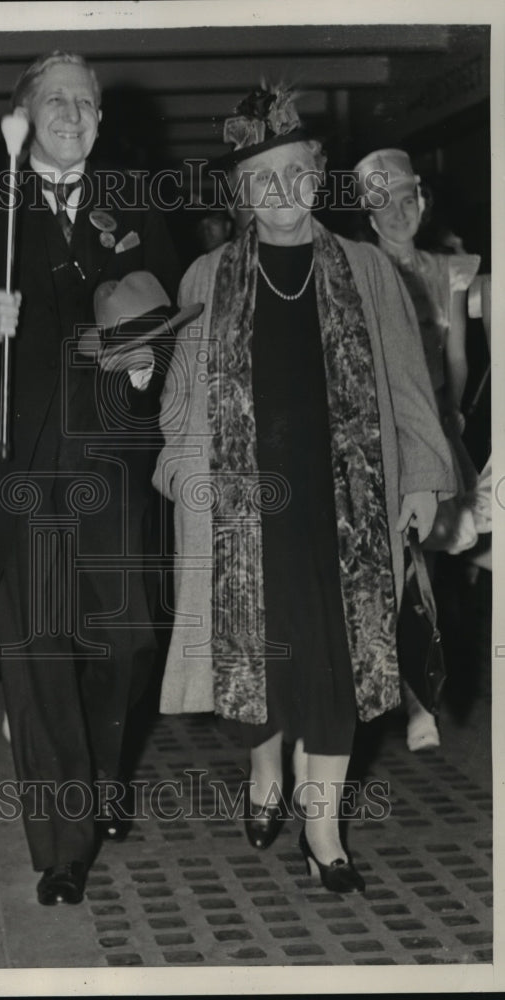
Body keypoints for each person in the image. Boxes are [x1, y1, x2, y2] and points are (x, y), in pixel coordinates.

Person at [154, 86, 455, 894]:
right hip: (241, 508)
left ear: (317, 179)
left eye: (294, 173)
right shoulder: (206, 276)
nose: (281, 192)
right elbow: (181, 397)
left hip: (346, 505)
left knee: (336, 663)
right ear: (241, 195)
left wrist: (423, 479)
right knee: (251, 659)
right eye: (261, 179)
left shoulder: (364, 270)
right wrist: (178, 461)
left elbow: (408, 381)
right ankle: (263, 774)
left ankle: (322, 830)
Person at [0, 51, 181, 905]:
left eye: (86, 102)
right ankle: (59, 846)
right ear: (24, 115)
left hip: (109, 451)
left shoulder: (135, 199)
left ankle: (102, 771)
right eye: (56, 100)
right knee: (37, 656)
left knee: (130, 639)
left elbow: (172, 312)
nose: (73, 112)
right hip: (19, 461)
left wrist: (148, 367)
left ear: (101, 120)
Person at [354, 148, 481, 750]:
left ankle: (416, 697)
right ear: (368, 213)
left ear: (421, 204)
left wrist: (448, 412)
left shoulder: (446, 270)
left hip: (431, 427)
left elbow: (455, 358)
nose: (400, 213)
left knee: (421, 566)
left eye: (408, 200)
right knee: (383, 566)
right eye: (386, 203)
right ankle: (387, 689)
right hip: (377, 433)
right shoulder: (357, 269)